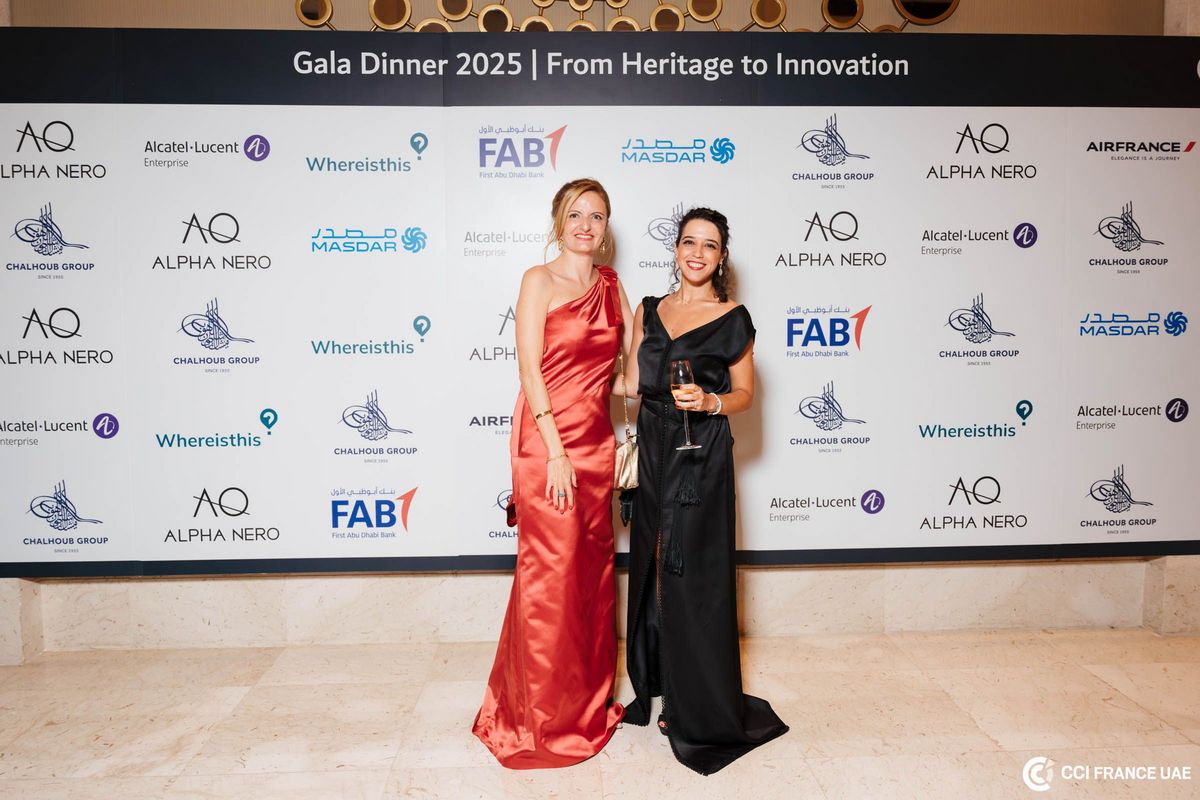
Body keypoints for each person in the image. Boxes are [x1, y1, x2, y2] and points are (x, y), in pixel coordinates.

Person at [473, 178, 633, 769]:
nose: (585, 225)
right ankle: (536, 720)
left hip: (596, 443)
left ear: (606, 227)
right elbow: (530, 371)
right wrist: (557, 451)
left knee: (589, 578)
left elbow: (622, 378)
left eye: (597, 215)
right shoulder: (537, 280)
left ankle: (584, 707)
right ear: (557, 221)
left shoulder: (612, 286)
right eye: (575, 214)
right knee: (550, 578)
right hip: (547, 443)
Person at [622, 207, 788, 775]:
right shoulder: (649, 310)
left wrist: (712, 402)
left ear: (721, 257)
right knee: (653, 564)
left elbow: (745, 394)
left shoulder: (733, 317)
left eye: (709, 245)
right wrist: (568, 374)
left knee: (692, 573)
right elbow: (630, 382)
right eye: (688, 242)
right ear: (675, 250)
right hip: (654, 444)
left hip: (702, 452)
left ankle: (697, 705)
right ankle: (661, 684)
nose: (697, 253)